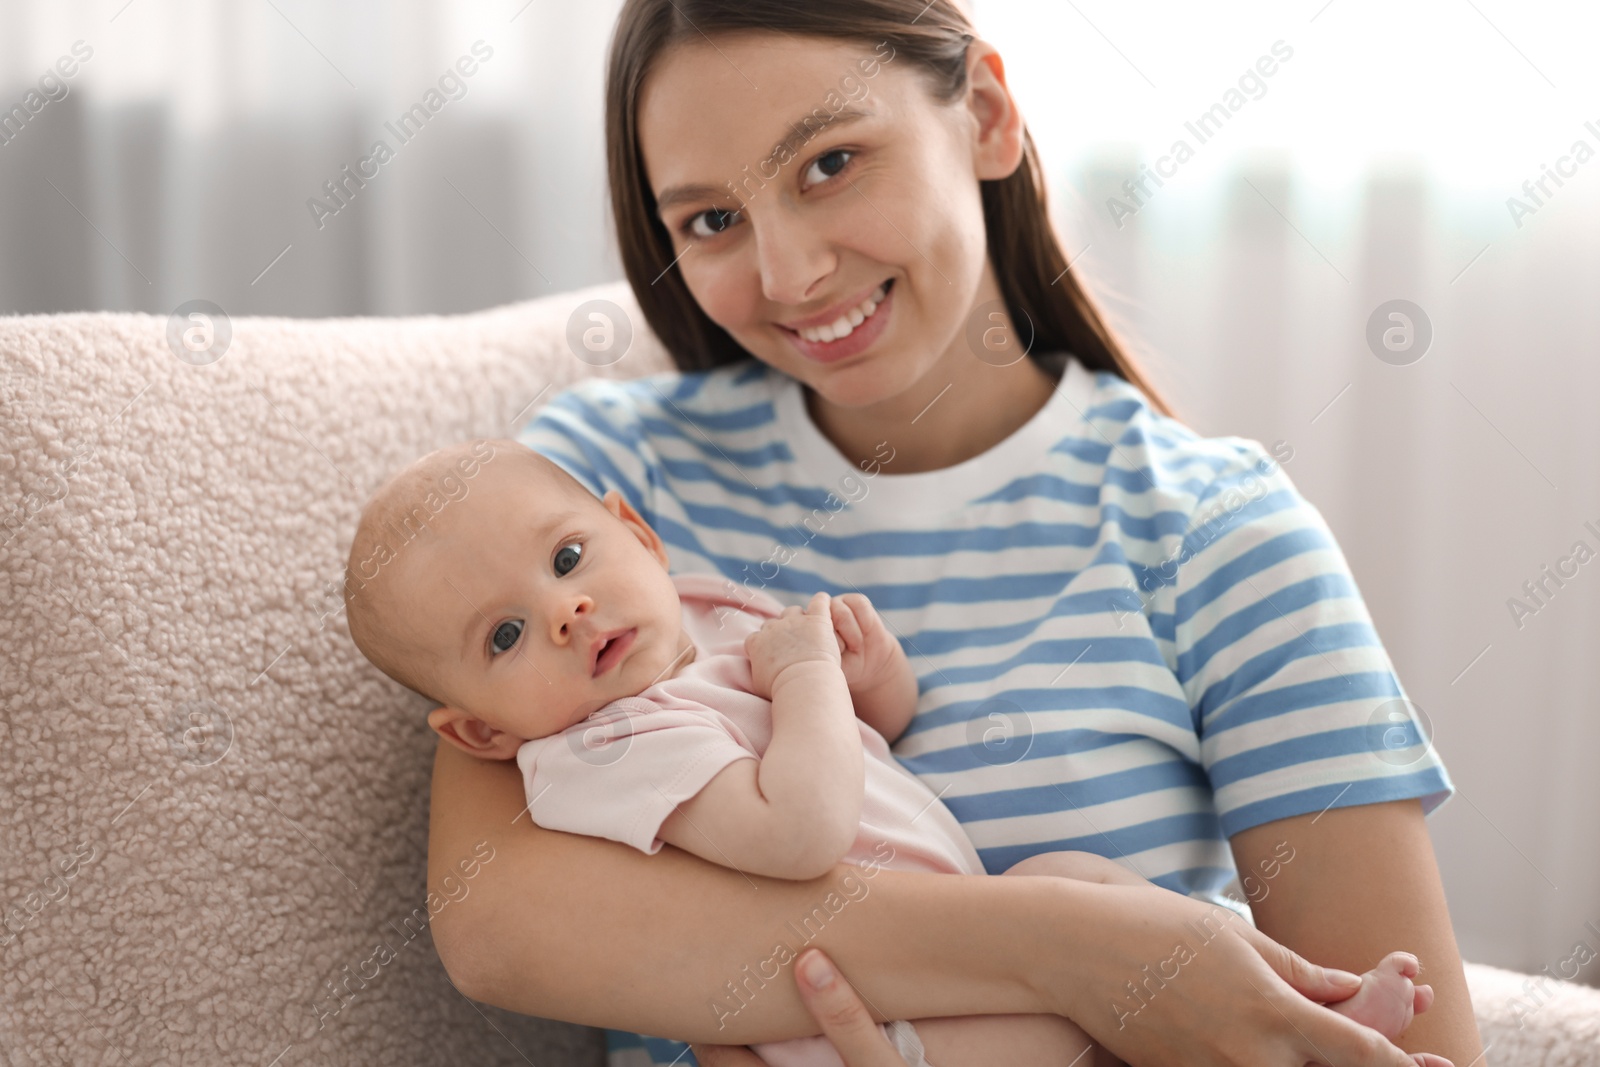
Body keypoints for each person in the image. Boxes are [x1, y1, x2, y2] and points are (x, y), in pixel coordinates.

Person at [420, 2, 1487, 1065]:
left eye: (831, 162)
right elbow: (495, 924)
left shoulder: (1215, 531)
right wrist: (1074, 950)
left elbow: (1395, 1037)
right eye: (710, 220)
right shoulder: (593, 495)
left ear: (983, 113)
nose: (789, 275)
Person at [347, 443, 1448, 1067]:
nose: (563, 608)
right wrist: (810, 676)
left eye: (568, 555)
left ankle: (1307, 997)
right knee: (1083, 1008)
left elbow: (883, 739)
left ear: (635, 529)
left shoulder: (703, 620)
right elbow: (800, 829)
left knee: (1082, 891)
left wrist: (873, 680)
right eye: (502, 635)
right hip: (874, 1029)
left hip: (948, 922)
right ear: (481, 732)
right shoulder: (608, 746)